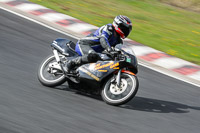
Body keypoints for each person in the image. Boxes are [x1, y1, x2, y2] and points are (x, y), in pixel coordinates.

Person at [63, 15, 132, 73]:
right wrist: (109, 50)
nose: (126, 31)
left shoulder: (118, 41)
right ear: (118, 24)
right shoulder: (109, 28)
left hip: (96, 52)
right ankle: (70, 63)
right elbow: (103, 39)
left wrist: (124, 57)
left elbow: (118, 51)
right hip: (84, 44)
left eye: (127, 30)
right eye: (124, 28)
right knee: (93, 56)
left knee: (104, 61)